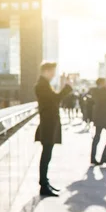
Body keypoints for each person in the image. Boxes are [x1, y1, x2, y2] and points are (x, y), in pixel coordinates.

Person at [34, 62, 72, 197]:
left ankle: (45, 183)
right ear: (46, 71)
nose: (54, 74)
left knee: (47, 155)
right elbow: (55, 100)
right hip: (48, 124)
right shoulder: (41, 86)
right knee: (46, 155)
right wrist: (67, 87)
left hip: (49, 124)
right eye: (52, 71)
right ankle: (43, 186)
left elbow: (54, 100)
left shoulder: (44, 85)